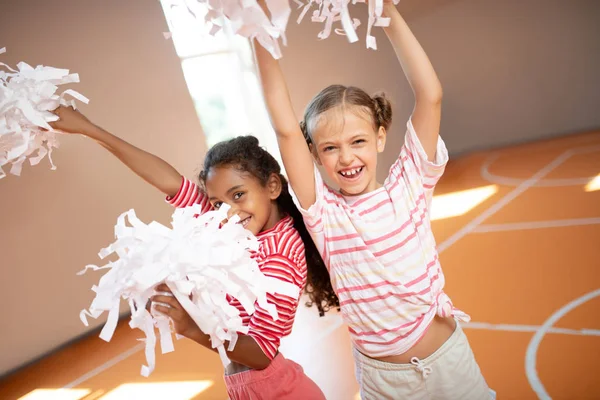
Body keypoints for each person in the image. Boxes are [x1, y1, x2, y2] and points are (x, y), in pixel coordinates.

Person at [253, 0, 494, 398]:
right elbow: (285, 129)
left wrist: (383, 11)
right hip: (385, 382)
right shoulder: (324, 213)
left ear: (380, 137)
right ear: (314, 155)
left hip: (450, 364)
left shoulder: (410, 184)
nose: (346, 157)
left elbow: (429, 93)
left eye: (358, 141)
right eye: (329, 148)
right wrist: (259, 30)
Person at [50, 106, 330, 399]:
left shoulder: (280, 252)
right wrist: (89, 129)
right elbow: (169, 181)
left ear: (272, 186)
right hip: (251, 387)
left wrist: (193, 329)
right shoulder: (234, 227)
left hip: (279, 391)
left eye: (238, 195)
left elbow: (261, 352)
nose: (228, 212)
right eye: (217, 203)